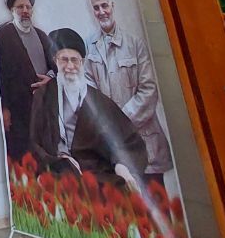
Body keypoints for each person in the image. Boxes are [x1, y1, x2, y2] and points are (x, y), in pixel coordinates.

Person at [29, 28, 147, 192]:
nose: (70, 66)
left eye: (74, 60)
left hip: (97, 173)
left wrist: (122, 166)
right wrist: (62, 161)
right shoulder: (44, 95)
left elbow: (128, 140)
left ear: (82, 62)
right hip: (59, 171)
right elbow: (35, 142)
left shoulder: (98, 101)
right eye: (64, 60)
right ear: (55, 61)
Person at [84, 0, 174, 189]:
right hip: (113, 146)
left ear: (112, 6)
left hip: (145, 144)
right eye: (96, 8)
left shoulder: (135, 44)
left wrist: (121, 121)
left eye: (104, 6)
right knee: (126, 204)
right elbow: (90, 94)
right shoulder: (89, 48)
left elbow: (149, 89)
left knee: (157, 202)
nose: (101, 12)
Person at [0, 0, 55, 159]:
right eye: (20, 7)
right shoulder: (4, 34)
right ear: (12, 10)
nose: (25, 11)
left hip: (43, 107)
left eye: (28, 7)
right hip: (18, 110)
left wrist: (49, 79)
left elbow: (55, 68)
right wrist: (4, 108)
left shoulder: (42, 36)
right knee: (23, 157)